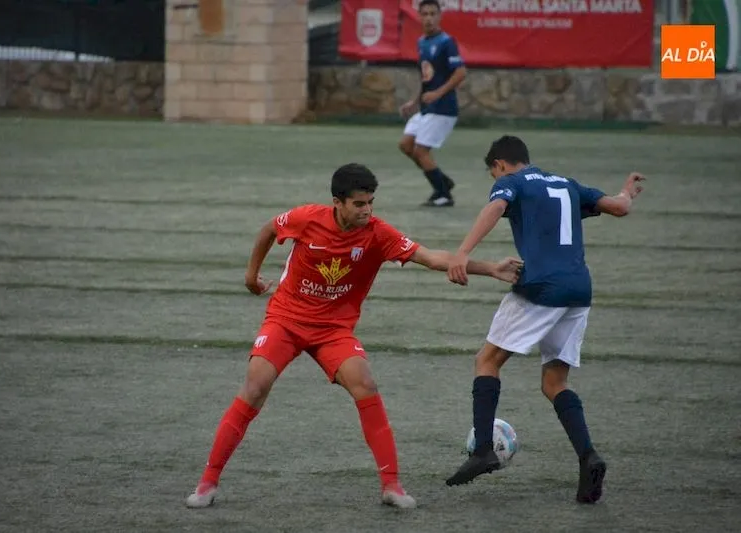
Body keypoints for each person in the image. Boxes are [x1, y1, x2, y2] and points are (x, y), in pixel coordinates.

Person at [185, 163, 523, 510]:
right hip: (285, 320)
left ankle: (392, 486)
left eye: (371, 203)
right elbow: (269, 229)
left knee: (365, 384)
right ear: (338, 202)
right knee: (255, 386)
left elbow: (432, 258)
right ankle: (207, 483)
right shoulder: (306, 218)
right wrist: (251, 276)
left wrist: (489, 268)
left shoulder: (378, 233)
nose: (367, 210)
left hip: (333, 330)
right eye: (359, 204)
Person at [443, 136, 645, 504]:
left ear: (501, 164)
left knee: (487, 361)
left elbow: (496, 207)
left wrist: (463, 252)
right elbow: (618, 208)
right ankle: (588, 457)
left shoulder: (511, 182)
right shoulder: (567, 184)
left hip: (541, 287)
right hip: (579, 290)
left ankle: (483, 450)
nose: (495, 178)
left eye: (493, 172)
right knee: (555, 381)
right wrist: (627, 191)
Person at [398, 0, 465, 208]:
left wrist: (437, 93)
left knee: (421, 151)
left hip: (443, 109)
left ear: (439, 16)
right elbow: (426, 78)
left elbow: (460, 73)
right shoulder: (422, 42)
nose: (428, 18)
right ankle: (442, 180)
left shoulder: (447, 42)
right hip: (428, 108)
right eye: (424, 14)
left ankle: (443, 194)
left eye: (432, 14)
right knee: (406, 145)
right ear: (419, 16)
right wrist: (415, 100)